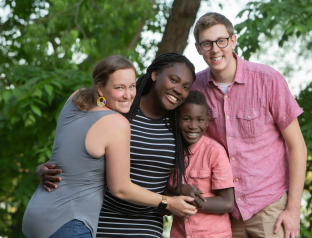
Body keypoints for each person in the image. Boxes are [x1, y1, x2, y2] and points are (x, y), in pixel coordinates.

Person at [23, 55, 197, 238]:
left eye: (186, 87)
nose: (128, 94)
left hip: (145, 226)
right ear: (154, 75)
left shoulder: (180, 124)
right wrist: (168, 202)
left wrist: (177, 192)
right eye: (173, 79)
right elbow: (115, 183)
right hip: (98, 222)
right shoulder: (118, 115)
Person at [187, 12, 307, 238]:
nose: (215, 49)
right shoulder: (194, 88)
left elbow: (298, 146)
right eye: (207, 43)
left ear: (233, 40)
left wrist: (293, 209)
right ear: (198, 48)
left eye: (221, 41)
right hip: (223, 212)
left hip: (269, 207)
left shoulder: (268, 80)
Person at [167, 90, 235, 238]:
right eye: (186, 118)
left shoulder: (214, 152)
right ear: (177, 119)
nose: (193, 126)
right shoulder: (170, 151)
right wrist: (178, 190)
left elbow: (227, 203)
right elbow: (165, 200)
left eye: (199, 119)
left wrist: (189, 199)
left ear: (207, 121)